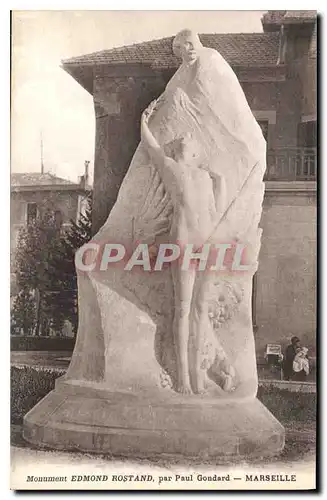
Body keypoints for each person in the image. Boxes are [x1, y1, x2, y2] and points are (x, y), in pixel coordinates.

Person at [141, 99, 234, 394]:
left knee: (200, 309)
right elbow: (152, 147)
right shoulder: (171, 168)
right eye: (180, 139)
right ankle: (183, 378)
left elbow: (217, 212)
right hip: (182, 241)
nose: (184, 138)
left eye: (188, 138)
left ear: (195, 153)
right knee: (182, 309)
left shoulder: (206, 176)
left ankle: (197, 376)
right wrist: (143, 120)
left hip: (205, 241)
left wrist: (220, 182)